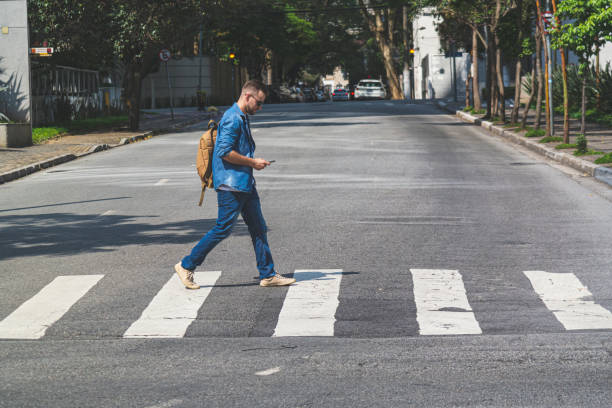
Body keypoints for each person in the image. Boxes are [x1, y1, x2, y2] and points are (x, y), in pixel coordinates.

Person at [174, 79, 296, 289]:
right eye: (258, 103)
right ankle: (186, 265)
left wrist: (251, 165)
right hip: (232, 185)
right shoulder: (233, 119)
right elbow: (224, 152)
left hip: (244, 182)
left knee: (258, 228)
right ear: (247, 96)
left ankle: (267, 274)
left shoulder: (240, 116)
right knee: (223, 228)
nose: (260, 107)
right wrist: (253, 162)